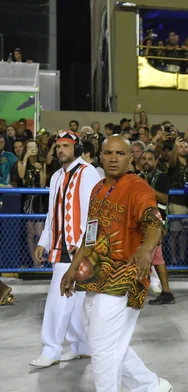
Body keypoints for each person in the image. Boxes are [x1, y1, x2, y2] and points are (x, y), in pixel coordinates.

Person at [60, 135, 173, 391]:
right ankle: (151, 386)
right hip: (94, 277)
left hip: (125, 278)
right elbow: (89, 236)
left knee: (101, 349)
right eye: (108, 153)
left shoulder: (138, 187)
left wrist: (146, 248)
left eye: (120, 154)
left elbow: (154, 221)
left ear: (130, 158)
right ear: (100, 156)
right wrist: (72, 268)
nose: (113, 158)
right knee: (105, 343)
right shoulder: (98, 188)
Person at [31, 131, 102, 368]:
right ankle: (81, 346)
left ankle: (51, 349)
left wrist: (85, 245)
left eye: (65, 146)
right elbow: (52, 213)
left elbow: (94, 214)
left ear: (76, 148)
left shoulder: (88, 172)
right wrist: (43, 242)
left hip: (77, 248)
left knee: (58, 298)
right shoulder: (56, 177)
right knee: (74, 299)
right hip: (61, 245)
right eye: (58, 146)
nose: (60, 150)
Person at [141, 147, 175, 305]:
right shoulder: (140, 176)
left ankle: (136, 290)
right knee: (157, 258)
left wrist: (147, 187)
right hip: (146, 222)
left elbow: (164, 198)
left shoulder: (162, 178)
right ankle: (167, 292)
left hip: (158, 223)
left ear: (156, 161)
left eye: (149, 159)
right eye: (144, 158)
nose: (146, 161)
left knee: (147, 254)